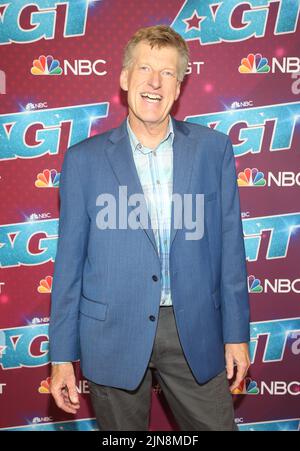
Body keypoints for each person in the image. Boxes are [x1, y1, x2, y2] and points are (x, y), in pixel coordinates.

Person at [49, 25, 250, 431]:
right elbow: (69, 264)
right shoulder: (83, 161)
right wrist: (60, 356)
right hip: (111, 333)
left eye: (168, 72)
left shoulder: (214, 150)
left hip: (194, 330)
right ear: (124, 79)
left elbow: (230, 247)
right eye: (144, 69)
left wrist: (236, 334)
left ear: (179, 86)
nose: (155, 82)